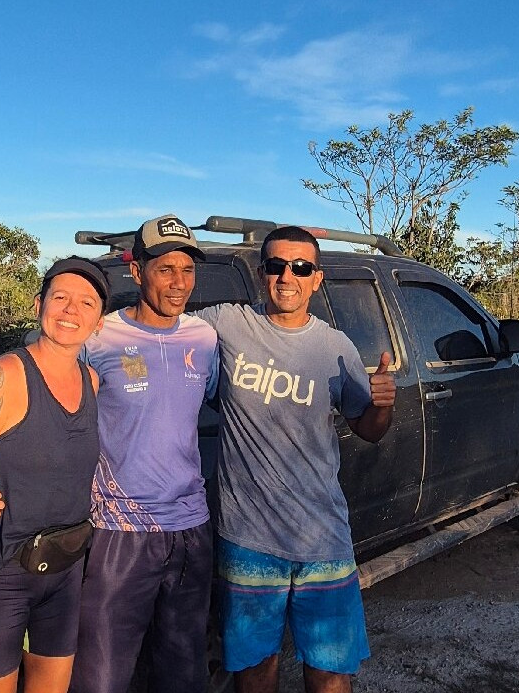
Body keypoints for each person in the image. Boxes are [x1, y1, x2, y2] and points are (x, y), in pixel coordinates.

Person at [0, 215, 219, 693]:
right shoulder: (97, 337)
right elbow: (30, 399)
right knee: (100, 679)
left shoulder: (205, 339)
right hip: (117, 532)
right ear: (137, 271)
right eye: (165, 269)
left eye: (187, 270)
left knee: (184, 676)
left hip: (191, 530)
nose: (179, 283)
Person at [194, 225, 396, 693]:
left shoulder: (335, 346)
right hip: (248, 539)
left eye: (301, 267)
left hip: (323, 539)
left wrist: (383, 405)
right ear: (262, 273)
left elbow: (368, 429)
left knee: (329, 671)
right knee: (255, 669)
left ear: (316, 279)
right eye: (276, 265)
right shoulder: (227, 323)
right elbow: (160, 327)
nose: (288, 275)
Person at [0, 257, 109, 693]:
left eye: (87, 303)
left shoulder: (92, 381)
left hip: (63, 569)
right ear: (38, 305)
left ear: (99, 322)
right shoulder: (8, 376)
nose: (71, 310)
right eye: (60, 297)